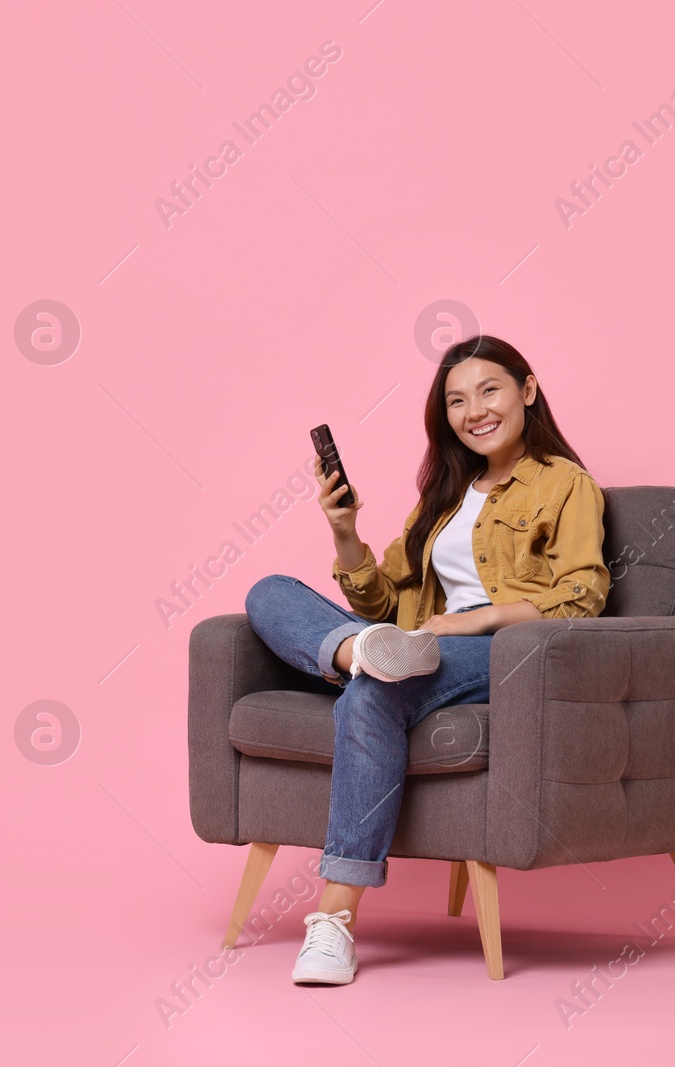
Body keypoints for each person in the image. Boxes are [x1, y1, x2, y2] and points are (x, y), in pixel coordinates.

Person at [242, 334, 610, 985]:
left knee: (375, 689)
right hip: (412, 644)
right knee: (268, 591)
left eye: (489, 390)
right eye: (457, 400)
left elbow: (583, 596)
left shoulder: (565, 484)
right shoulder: (446, 494)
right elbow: (380, 594)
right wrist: (344, 531)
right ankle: (356, 651)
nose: (475, 411)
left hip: (495, 654)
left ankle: (333, 922)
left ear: (526, 390)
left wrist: (480, 617)